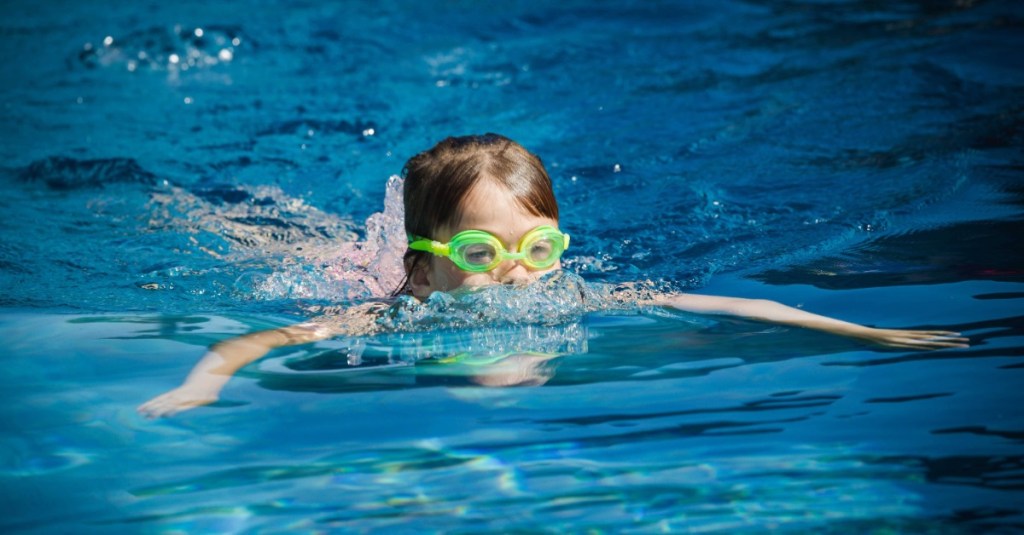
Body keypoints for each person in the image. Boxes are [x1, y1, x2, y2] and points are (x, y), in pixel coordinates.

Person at [138, 134, 969, 418]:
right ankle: (191, 207)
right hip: (348, 273)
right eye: (479, 254)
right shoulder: (391, 311)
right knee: (268, 240)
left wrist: (862, 330)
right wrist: (204, 383)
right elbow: (261, 338)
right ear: (429, 271)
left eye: (534, 251)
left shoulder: (569, 293)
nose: (510, 277)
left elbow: (727, 303)